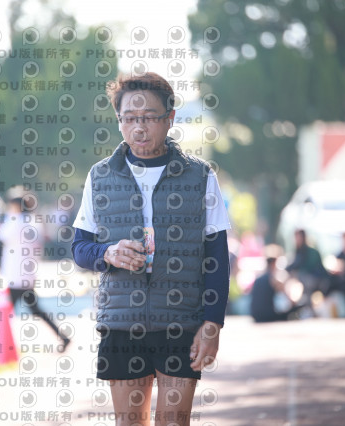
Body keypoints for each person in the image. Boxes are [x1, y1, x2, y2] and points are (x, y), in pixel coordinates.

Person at [71, 72, 231, 425]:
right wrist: (107, 253)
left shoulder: (200, 177)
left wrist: (212, 324)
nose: (139, 128)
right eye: (129, 118)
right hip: (122, 324)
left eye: (148, 118)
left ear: (169, 118)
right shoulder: (100, 176)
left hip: (180, 324)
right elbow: (80, 248)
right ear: (119, 120)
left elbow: (217, 259)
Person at [0, 187, 70, 351]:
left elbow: (2, 235)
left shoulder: (16, 221)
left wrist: (9, 216)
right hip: (28, 274)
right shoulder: (33, 221)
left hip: (16, 275)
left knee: (5, 311)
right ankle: (63, 337)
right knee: (35, 310)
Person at [250, 245, 301, 322]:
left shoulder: (259, 277)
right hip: (267, 315)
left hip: (256, 315)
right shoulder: (274, 278)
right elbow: (288, 297)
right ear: (274, 262)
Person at [286, 229, 329, 303]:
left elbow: (308, 268)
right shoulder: (299, 251)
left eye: (298, 237)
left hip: (316, 279)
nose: (296, 240)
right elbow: (293, 265)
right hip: (308, 279)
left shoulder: (311, 252)